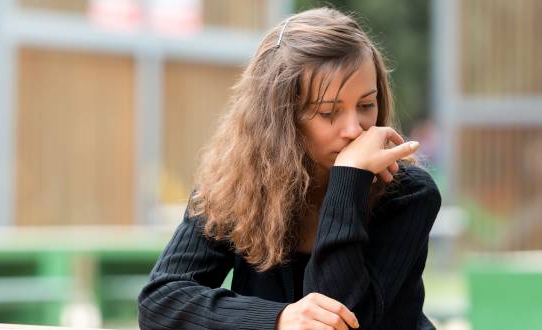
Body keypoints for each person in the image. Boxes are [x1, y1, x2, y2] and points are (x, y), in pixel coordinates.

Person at [138, 7, 441, 330]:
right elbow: (159, 303)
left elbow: (347, 320)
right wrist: (277, 319)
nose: (355, 128)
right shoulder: (236, 185)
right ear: (282, 118)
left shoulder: (407, 193)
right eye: (328, 112)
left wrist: (349, 179)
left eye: (366, 105)